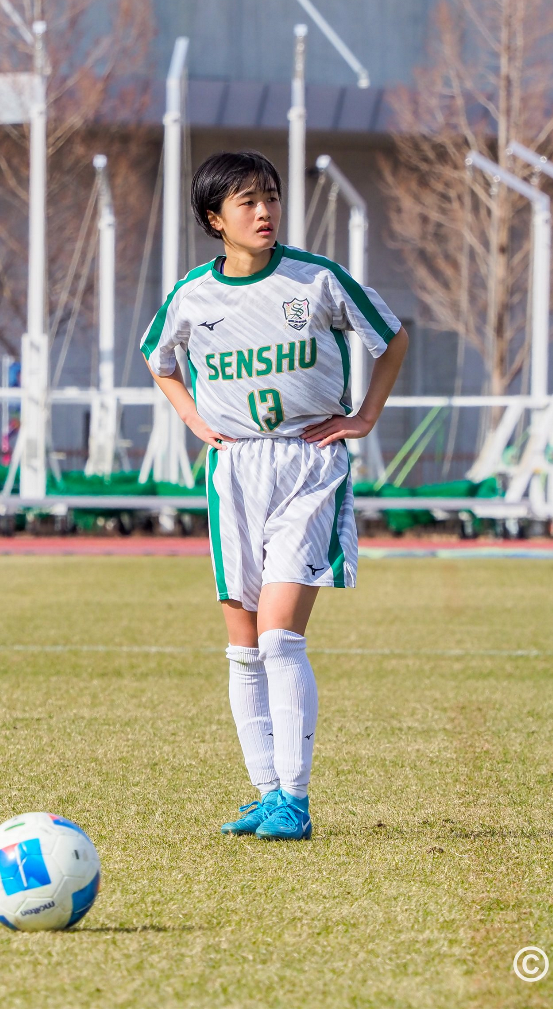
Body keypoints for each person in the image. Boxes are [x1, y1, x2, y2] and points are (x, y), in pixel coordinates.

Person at [141, 150, 409, 840]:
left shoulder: (315, 279)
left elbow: (392, 338)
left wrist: (366, 415)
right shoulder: (191, 296)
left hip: (307, 461)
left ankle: (294, 798)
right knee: (242, 647)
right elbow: (158, 359)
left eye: (271, 198)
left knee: (281, 635)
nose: (264, 212)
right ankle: (266, 792)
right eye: (247, 203)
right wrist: (194, 419)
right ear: (214, 219)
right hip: (234, 471)